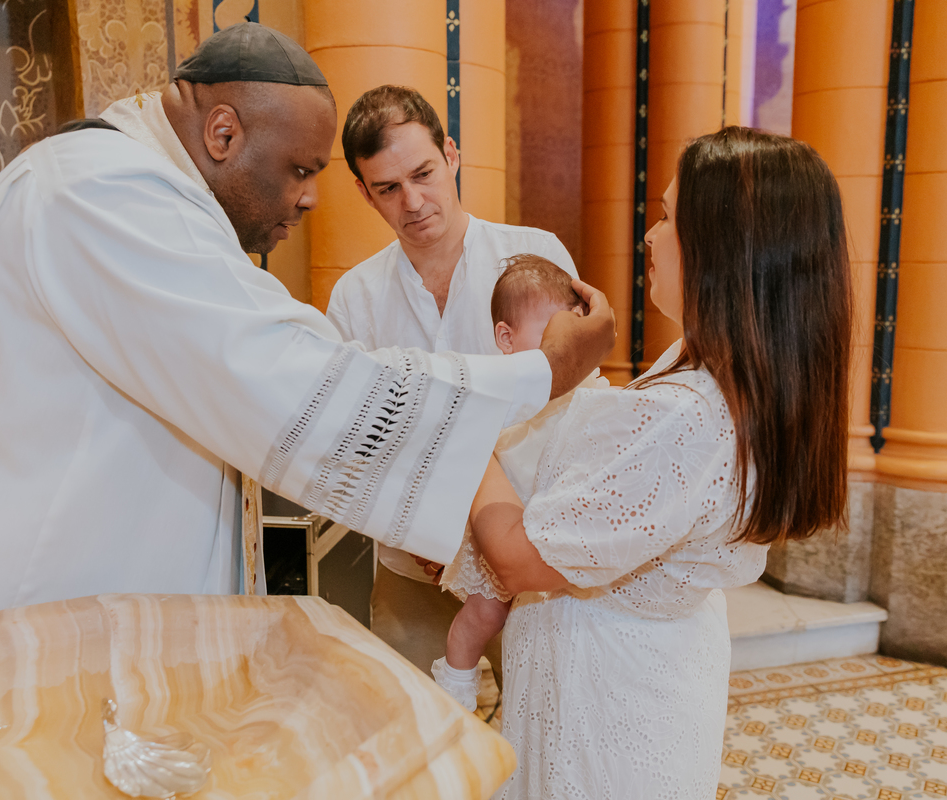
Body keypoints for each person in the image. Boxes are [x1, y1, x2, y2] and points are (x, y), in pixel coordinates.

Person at [0, 24, 614, 630]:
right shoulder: (104, 193)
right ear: (223, 132)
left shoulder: (135, 191)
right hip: (9, 610)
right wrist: (539, 372)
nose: (310, 199)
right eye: (298, 169)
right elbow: (296, 382)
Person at [469, 127, 852, 799]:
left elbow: (517, 557)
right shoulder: (722, 368)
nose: (649, 235)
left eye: (670, 218)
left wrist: (471, 423)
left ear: (724, 253)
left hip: (609, 700)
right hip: (651, 670)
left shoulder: (688, 415)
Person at [325, 85, 578, 684]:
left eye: (423, 172)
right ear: (363, 192)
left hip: (532, 570)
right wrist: (412, 529)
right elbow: (350, 440)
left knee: (538, 741)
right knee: (413, 744)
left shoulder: (534, 256)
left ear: (452, 155)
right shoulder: (353, 299)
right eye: (388, 188)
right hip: (412, 574)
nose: (412, 201)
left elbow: (576, 402)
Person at [431, 254, 606, 711]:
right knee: (485, 612)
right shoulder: (503, 399)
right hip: (504, 531)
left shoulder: (592, 393)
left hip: (560, 546)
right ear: (506, 339)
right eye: (551, 333)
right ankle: (456, 683)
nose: (567, 345)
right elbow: (460, 467)